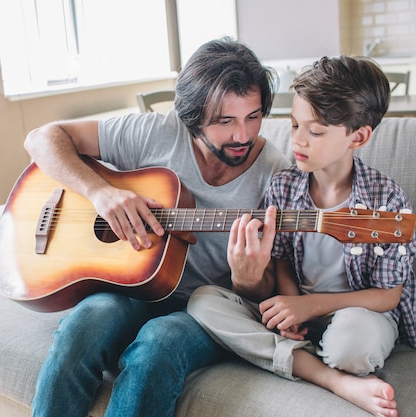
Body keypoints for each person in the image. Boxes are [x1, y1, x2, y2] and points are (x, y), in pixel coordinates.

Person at [24, 37, 290, 417]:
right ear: (193, 116)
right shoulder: (155, 132)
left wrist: (249, 280)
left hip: (206, 309)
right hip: (132, 289)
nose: (243, 136)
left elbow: (268, 291)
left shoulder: (275, 175)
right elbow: (42, 138)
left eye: (253, 116)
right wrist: (101, 193)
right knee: (85, 322)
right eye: (225, 121)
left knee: (158, 342)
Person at [187, 55, 416, 417]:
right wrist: (291, 307)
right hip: (298, 303)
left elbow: (389, 295)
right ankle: (329, 376)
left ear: (357, 136)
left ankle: (307, 362)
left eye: (315, 131)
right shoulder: (283, 185)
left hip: (358, 311)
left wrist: (310, 307)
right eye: (294, 125)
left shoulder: (386, 199)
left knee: (352, 348)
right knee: (203, 300)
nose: (298, 140)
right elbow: (281, 259)